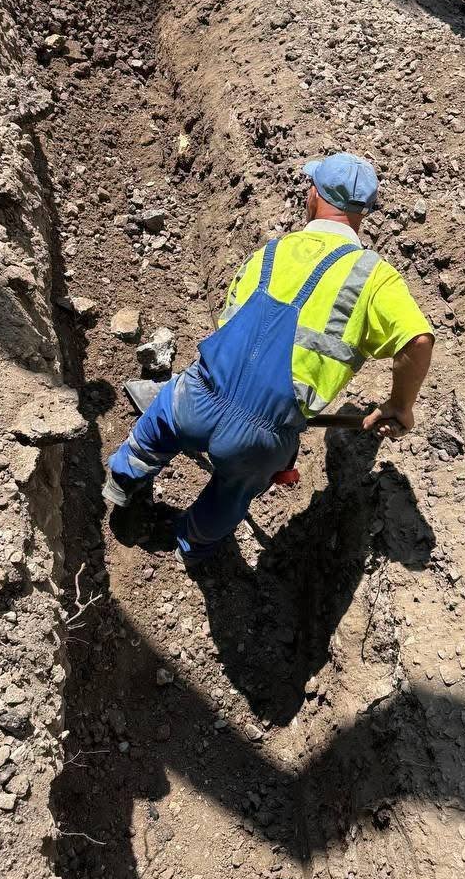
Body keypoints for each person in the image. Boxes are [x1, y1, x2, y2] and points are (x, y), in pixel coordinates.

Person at [104, 153, 434, 568]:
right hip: (263, 437)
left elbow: (230, 322)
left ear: (313, 195)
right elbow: (418, 339)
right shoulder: (373, 277)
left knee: (155, 431)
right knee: (231, 494)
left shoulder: (272, 251)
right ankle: (189, 541)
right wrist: (400, 406)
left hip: (198, 394)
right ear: (362, 213)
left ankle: (123, 488)